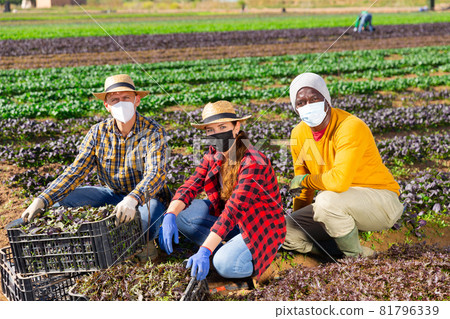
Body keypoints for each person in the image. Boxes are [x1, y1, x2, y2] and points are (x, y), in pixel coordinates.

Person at [21, 74, 171, 258]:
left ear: (137, 100)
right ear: (107, 106)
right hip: (112, 194)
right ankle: (100, 237)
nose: (121, 103)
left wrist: (133, 199)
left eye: (126, 98)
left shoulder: (153, 131)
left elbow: (156, 173)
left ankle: (143, 242)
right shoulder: (97, 133)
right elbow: (76, 171)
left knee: (149, 217)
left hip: (146, 199)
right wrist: (43, 198)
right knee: (62, 200)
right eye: (115, 99)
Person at [158, 101, 286, 281]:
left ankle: (263, 265)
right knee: (179, 214)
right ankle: (224, 246)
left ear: (237, 127)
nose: (217, 133)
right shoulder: (213, 154)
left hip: (260, 227)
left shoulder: (254, 162)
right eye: (210, 130)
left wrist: (204, 250)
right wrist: (169, 215)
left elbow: (234, 210)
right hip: (233, 224)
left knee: (225, 264)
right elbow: (191, 184)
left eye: (222, 126)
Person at [282, 72, 404, 258]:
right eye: (301, 103)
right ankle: (333, 255)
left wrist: (306, 181)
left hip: (380, 201)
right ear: (295, 108)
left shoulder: (350, 127)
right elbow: (302, 189)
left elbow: (338, 182)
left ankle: (355, 258)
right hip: (339, 203)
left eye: (314, 99)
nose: (308, 106)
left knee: (326, 201)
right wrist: (300, 222)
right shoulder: (298, 134)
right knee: (283, 230)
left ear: (326, 100)